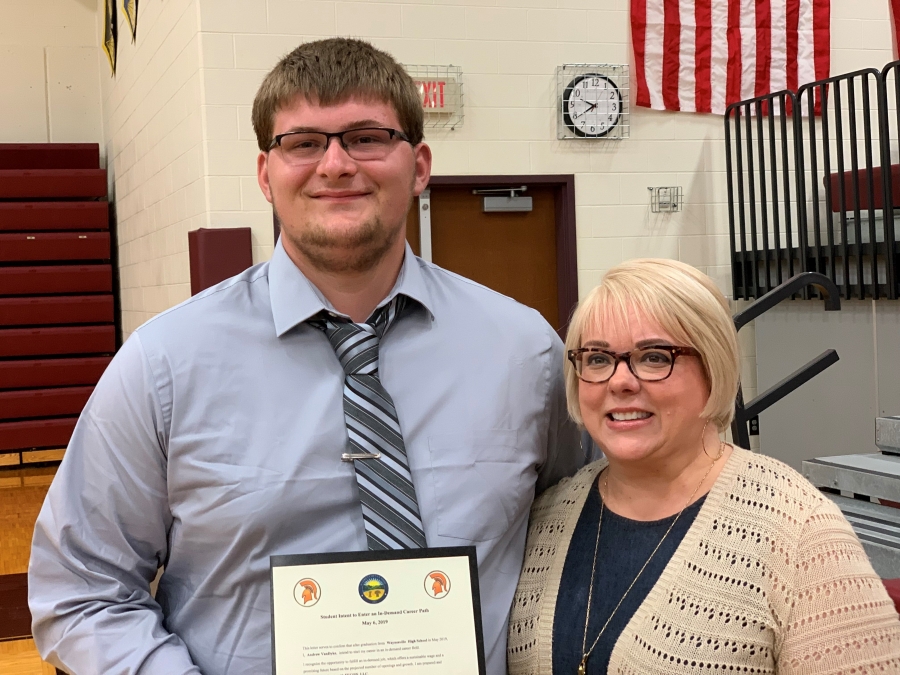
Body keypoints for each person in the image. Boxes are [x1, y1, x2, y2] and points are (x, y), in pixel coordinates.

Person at [29, 38, 582, 675]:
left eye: (367, 137)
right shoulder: (162, 367)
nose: (337, 164)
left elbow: (588, 525)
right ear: (267, 174)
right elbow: (81, 591)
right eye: (303, 143)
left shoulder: (527, 352)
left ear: (421, 164)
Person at [508, 259, 900, 674]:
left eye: (655, 357)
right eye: (599, 358)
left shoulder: (798, 532)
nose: (619, 381)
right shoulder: (546, 515)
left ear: (714, 368)